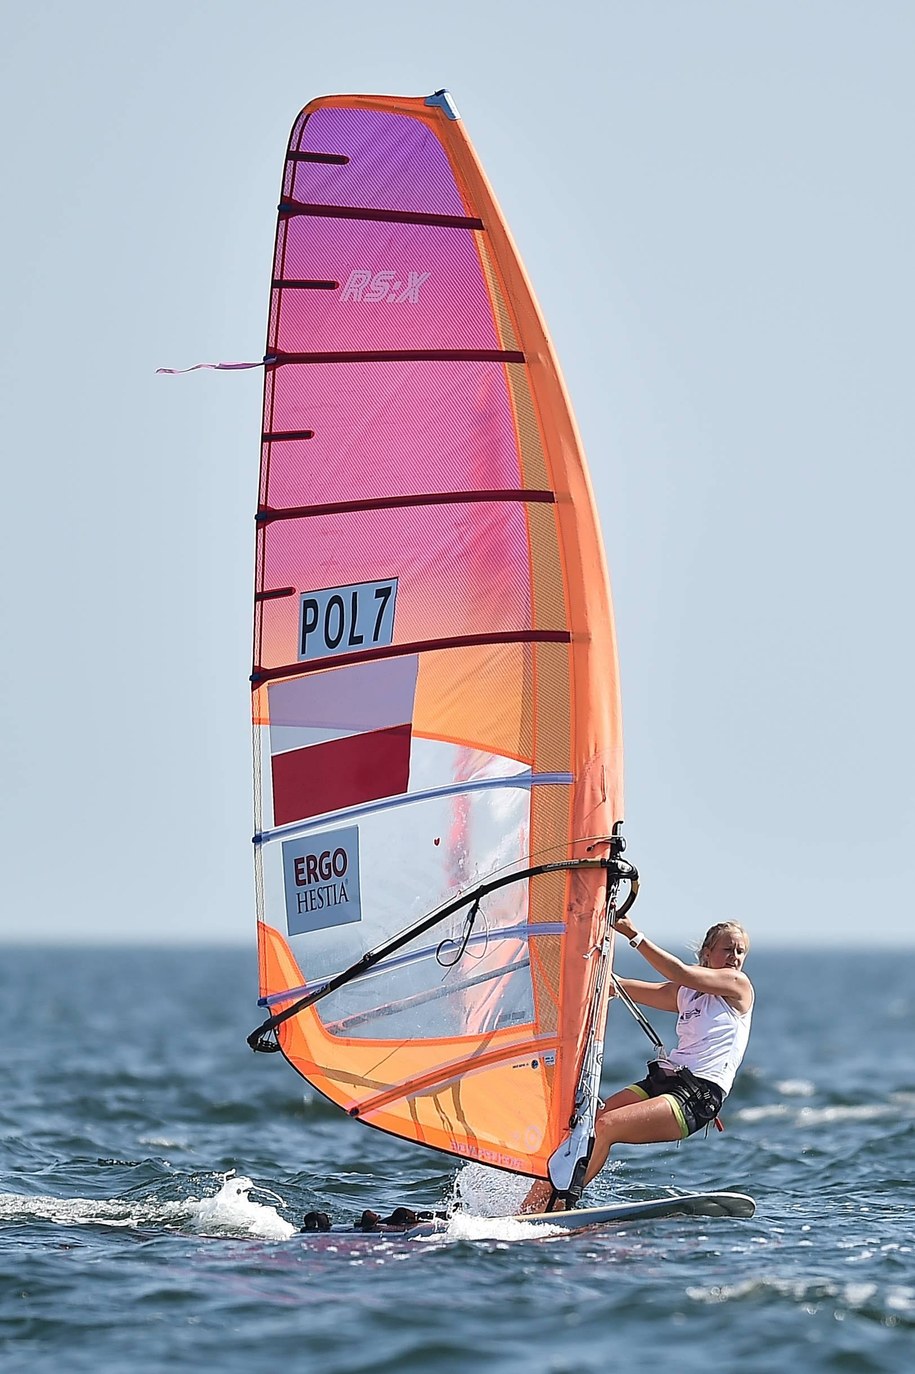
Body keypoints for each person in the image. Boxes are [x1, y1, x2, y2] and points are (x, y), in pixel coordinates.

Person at [522, 914, 753, 1213]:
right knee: (588, 1125)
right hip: (668, 1082)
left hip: (698, 1097)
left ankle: (561, 1205)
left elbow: (681, 972)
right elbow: (620, 987)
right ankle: (527, 1208)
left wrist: (634, 936)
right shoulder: (685, 994)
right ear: (708, 953)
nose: (734, 957)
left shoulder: (738, 987)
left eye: (740, 951)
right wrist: (573, 961)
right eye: (727, 950)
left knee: (606, 1127)